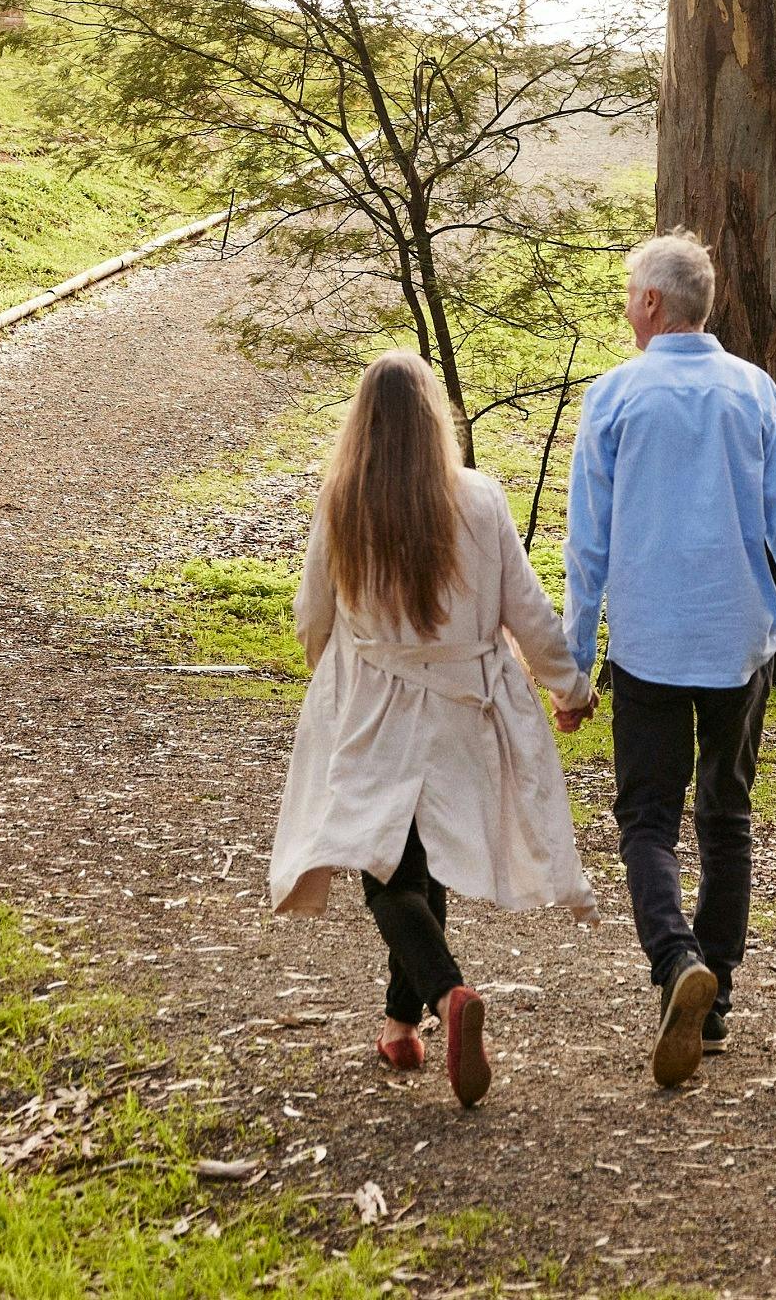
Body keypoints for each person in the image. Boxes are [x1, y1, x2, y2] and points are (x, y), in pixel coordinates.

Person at [552, 229, 776, 1088]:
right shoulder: (752, 392)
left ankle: (677, 958)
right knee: (725, 816)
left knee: (646, 819)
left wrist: (571, 672)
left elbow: (586, 551)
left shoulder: (612, 398)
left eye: (627, 295)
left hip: (647, 646)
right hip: (736, 645)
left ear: (650, 303)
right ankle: (711, 1007)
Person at [266, 351, 590, 1109]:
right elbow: (527, 609)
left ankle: (447, 999)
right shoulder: (479, 499)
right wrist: (568, 686)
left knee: (386, 873)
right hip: (459, 711)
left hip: (375, 709)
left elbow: (311, 617)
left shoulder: (341, 501)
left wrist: (342, 668)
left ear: (364, 423)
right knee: (418, 861)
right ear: (433, 420)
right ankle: (397, 1026)